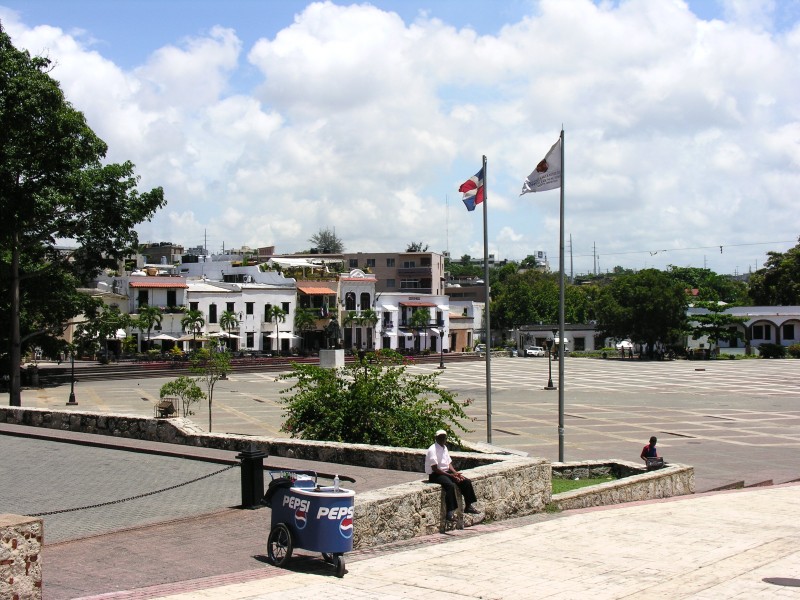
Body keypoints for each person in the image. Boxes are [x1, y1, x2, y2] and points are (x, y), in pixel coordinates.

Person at [425, 429, 479, 521]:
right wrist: (450, 476)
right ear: (436, 438)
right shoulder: (432, 449)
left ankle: (468, 505)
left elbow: (448, 463)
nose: (443, 439)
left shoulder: (444, 448)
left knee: (465, 481)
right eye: (441, 437)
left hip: (445, 472)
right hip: (435, 474)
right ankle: (450, 512)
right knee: (449, 485)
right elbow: (435, 468)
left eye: (444, 437)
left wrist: (455, 473)